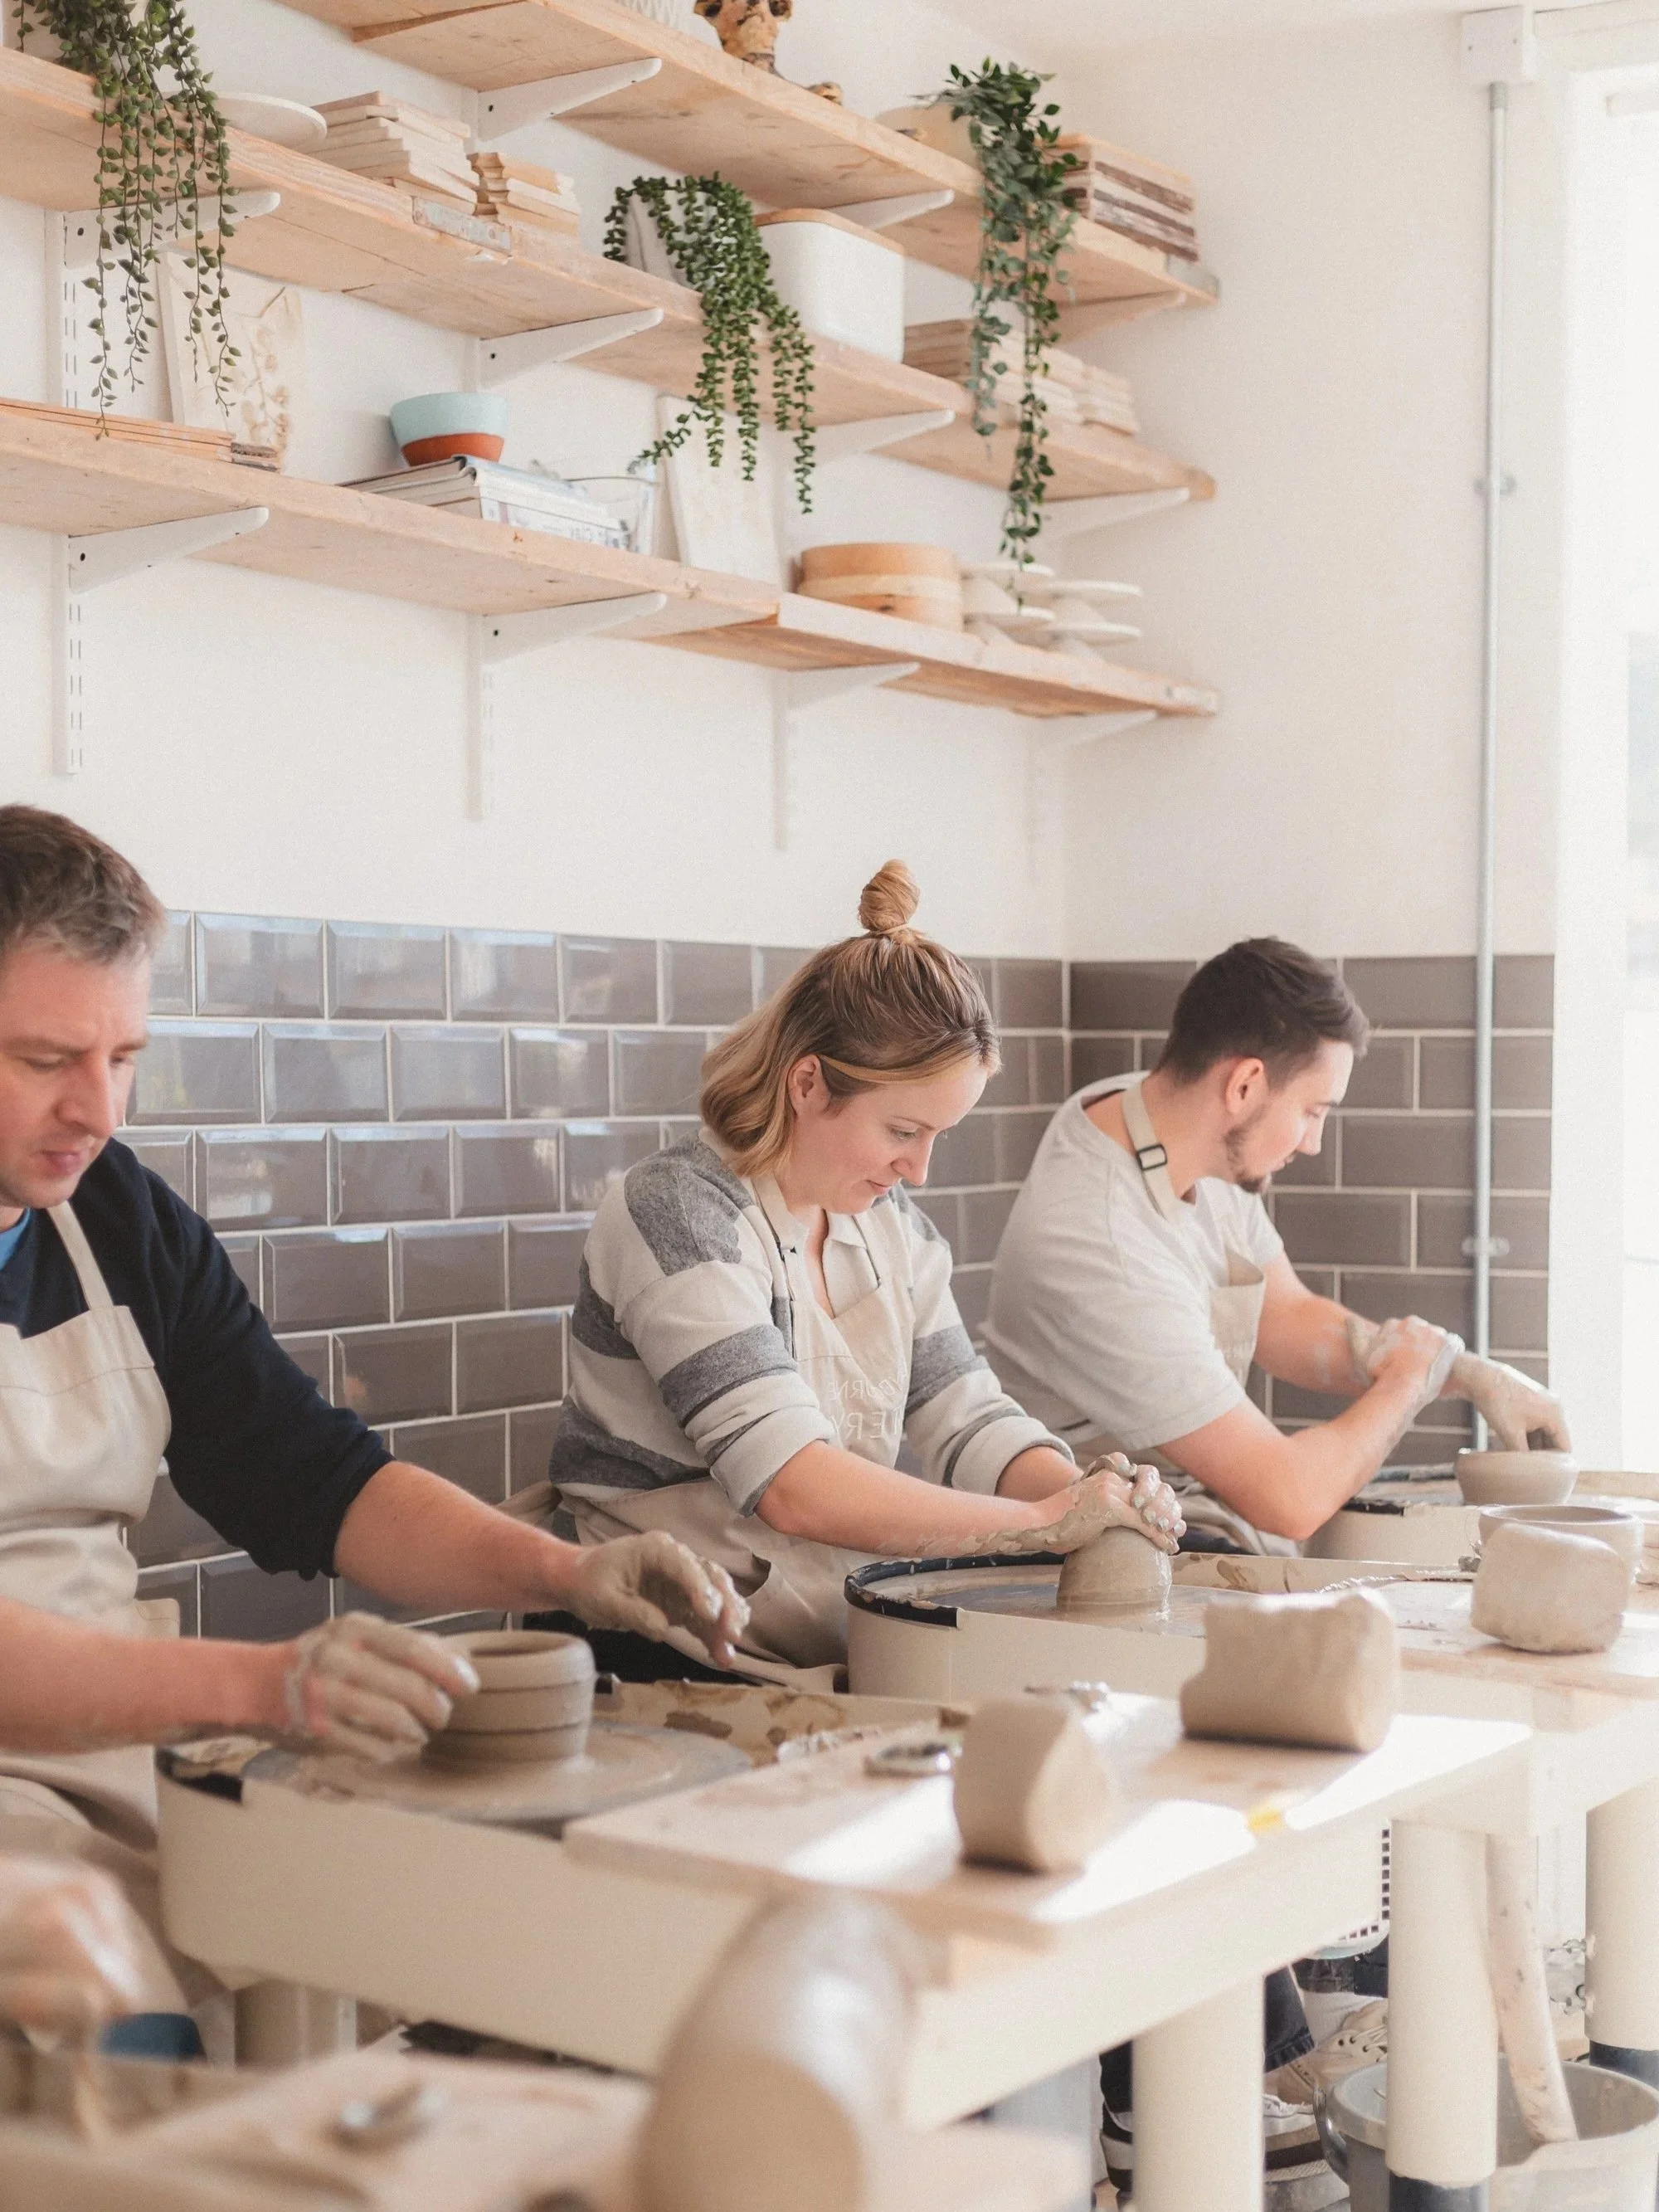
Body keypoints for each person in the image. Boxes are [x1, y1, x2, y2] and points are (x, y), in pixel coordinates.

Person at [0, 805, 748, 2029]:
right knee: (107, 2039)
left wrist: (567, 1567)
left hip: (114, 1751)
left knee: (416, 1967)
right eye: (45, 1059)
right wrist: (266, 1686)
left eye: (125, 1055)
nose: (100, 1107)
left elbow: (316, 1476)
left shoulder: (116, 1215)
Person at [546, 861, 1185, 1675]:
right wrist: (1040, 1521)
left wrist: (1086, 1496)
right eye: (901, 1130)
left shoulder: (890, 1229)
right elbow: (791, 1482)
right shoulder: (675, 1214)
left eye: (936, 1136)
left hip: (818, 1634)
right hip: (653, 1651)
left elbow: (962, 1416)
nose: (917, 1168)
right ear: (808, 1082)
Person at [985, 937, 1568, 1553]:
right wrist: (1404, 1386)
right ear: (1244, 1085)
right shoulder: (1099, 1246)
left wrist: (1462, 1371)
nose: (1314, 1142)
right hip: (1096, 1554)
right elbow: (1290, 1499)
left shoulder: (1160, 1111)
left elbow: (1284, 1316)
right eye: (1313, 1111)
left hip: (1183, 1509)